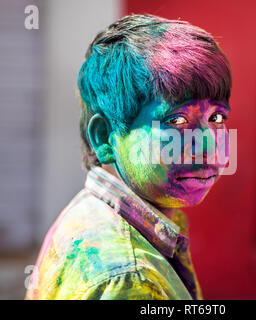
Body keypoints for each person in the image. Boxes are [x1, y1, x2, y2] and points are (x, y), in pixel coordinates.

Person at [25, 13, 232, 300]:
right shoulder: (129, 278)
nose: (209, 147)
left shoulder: (93, 212)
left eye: (217, 117)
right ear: (104, 137)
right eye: (176, 121)